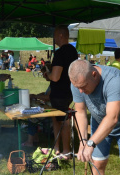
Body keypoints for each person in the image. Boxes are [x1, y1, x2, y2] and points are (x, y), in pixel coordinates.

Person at [43, 25, 78, 158]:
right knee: (57, 119)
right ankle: (57, 148)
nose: (54, 38)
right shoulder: (73, 51)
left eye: (55, 35)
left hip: (59, 93)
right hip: (69, 91)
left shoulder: (60, 52)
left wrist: (49, 74)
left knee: (62, 121)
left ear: (61, 35)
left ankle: (66, 151)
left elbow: (56, 77)